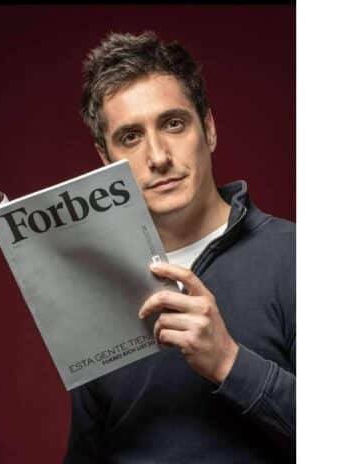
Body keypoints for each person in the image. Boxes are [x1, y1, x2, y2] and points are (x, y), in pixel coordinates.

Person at [64, 31, 295, 463]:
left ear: (208, 129)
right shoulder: (97, 290)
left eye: (173, 123)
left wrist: (229, 361)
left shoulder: (294, 257)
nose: (157, 157)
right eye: (130, 137)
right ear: (105, 161)